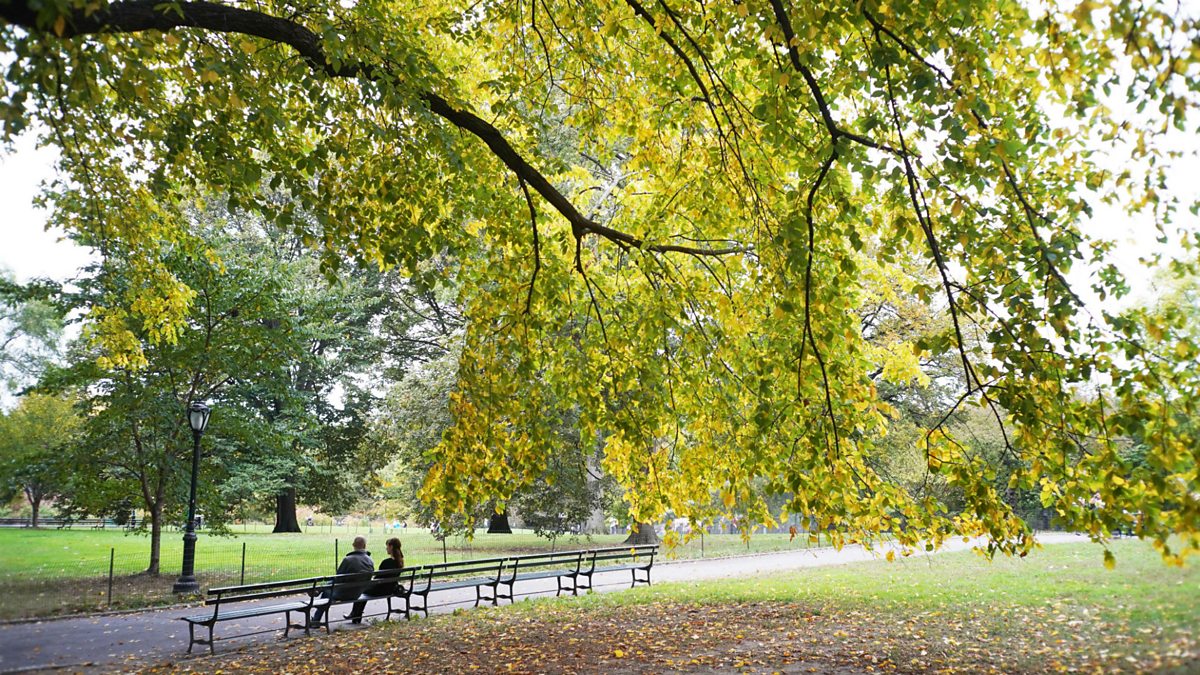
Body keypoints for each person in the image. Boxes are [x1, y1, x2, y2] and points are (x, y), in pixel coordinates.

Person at [310, 536, 374, 626]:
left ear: (353, 545)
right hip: (358, 593)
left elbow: (338, 578)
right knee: (329, 586)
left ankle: (315, 620)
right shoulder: (370, 560)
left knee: (326, 592)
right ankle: (320, 590)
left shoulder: (348, 560)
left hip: (344, 594)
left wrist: (326, 585)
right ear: (365, 545)